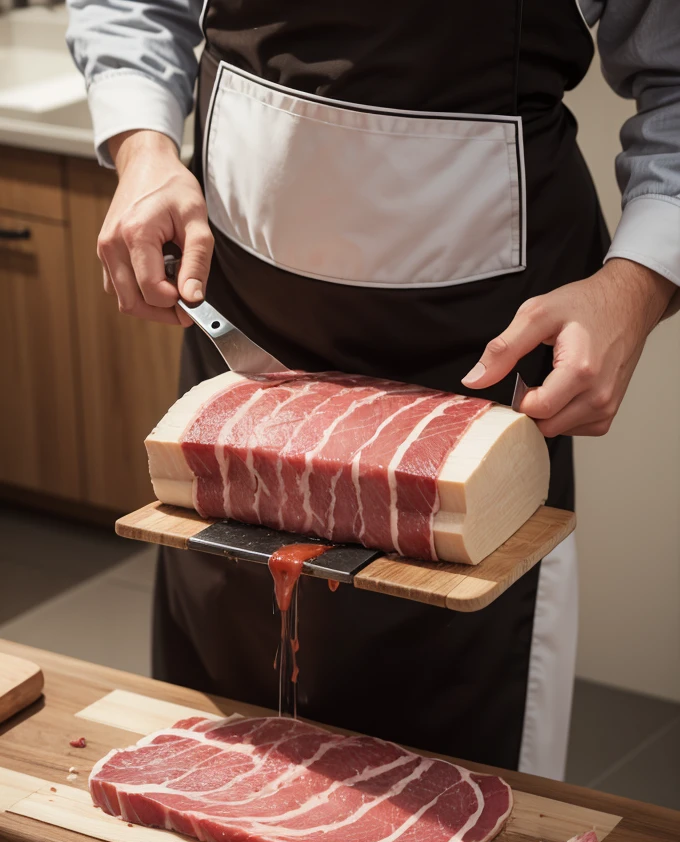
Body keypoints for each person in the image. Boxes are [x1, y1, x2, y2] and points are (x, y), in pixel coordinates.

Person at [66, 0, 679, 779]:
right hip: (248, 356)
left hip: (476, 371)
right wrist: (143, 147)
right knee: (220, 766)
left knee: (449, 798)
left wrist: (636, 286)